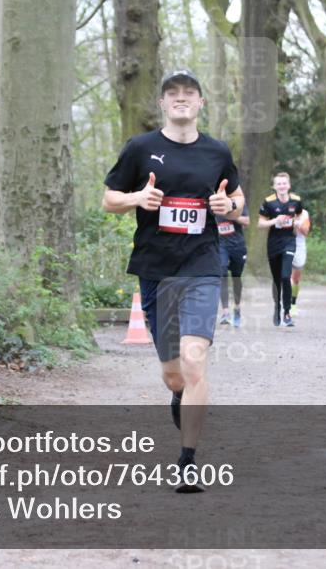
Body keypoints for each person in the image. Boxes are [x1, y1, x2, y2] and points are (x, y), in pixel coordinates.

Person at [102, 68, 244, 493]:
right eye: (173, 93)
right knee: (174, 375)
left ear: (201, 103)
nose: (181, 98)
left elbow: (238, 199)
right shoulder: (141, 148)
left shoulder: (217, 152)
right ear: (162, 103)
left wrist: (228, 205)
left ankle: (187, 461)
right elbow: (108, 199)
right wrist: (137, 198)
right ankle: (180, 396)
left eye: (189, 92)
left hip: (202, 266)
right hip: (156, 270)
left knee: (194, 360)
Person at [258, 172, 304, 328]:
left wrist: (298, 222)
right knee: (277, 279)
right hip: (273, 243)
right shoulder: (269, 202)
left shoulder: (296, 200)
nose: (282, 186)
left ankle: (287, 312)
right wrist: (275, 220)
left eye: (284, 183)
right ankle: (277, 307)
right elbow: (260, 223)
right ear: (274, 186)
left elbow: (300, 215)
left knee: (286, 276)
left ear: (289, 185)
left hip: (289, 241)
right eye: (279, 184)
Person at [216, 202, 249, 327]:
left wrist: (231, 215)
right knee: (222, 272)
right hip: (221, 245)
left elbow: (246, 221)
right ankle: (225, 312)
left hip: (237, 245)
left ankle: (237, 307)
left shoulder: (237, 202)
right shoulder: (214, 203)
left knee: (236, 277)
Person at [290, 209, 311, 315]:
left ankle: (293, 304)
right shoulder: (281, 208)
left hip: (299, 246)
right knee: (285, 275)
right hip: (284, 244)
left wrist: (296, 223)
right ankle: (285, 303)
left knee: (296, 279)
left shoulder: (304, 213)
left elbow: (306, 231)